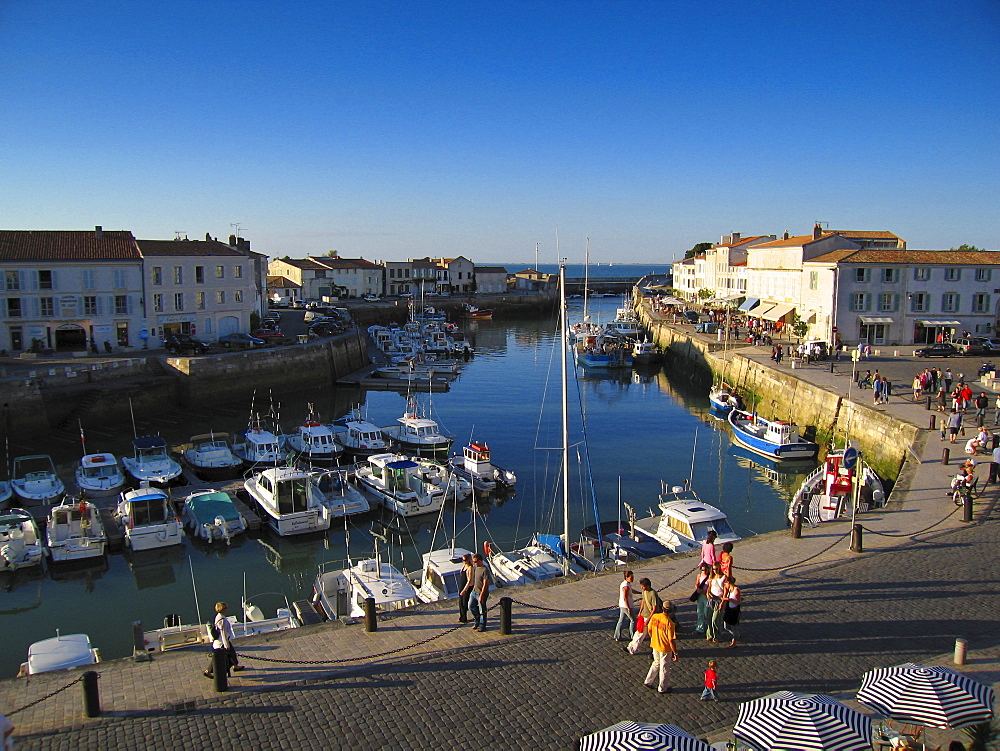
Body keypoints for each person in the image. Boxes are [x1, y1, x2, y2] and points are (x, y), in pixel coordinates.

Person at [641, 602, 678, 694]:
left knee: (656, 663)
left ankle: (648, 681)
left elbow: (649, 630)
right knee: (664, 668)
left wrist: (654, 638)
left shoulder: (655, 617)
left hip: (655, 645)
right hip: (665, 648)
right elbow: (671, 641)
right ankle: (662, 688)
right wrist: (675, 653)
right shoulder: (670, 623)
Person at [204, 602, 243, 679]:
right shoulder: (223, 621)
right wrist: (226, 645)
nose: (227, 609)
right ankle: (207, 671)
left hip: (220, 641)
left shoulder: (218, 617)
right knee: (218, 658)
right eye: (226, 608)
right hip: (222, 643)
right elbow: (223, 634)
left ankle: (235, 666)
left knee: (232, 654)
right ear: (223, 609)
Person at [626, 578, 657, 654]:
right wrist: (640, 612)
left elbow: (654, 608)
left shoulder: (653, 594)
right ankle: (631, 647)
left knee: (650, 634)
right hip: (643, 615)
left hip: (649, 616)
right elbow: (643, 601)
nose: (641, 588)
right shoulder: (644, 591)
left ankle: (654, 652)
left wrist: (648, 619)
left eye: (642, 586)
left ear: (647, 586)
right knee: (639, 632)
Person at [468, 553, 492, 632]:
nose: (474, 563)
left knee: (482, 610)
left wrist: (481, 595)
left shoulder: (485, 570)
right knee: (471, 606)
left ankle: (482, 625)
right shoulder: (476, 568)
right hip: (474, 591)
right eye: (473, 562)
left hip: (481, 593)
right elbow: (476, 579)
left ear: (480, 561)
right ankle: (477, 620)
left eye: (475, 561)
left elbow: (485, 584)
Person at [705, 564, 727, 643]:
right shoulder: (712, 577)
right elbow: (709, 587)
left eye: (717, 569)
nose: (715, 571)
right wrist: (707, 593)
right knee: (708, 617)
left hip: (719, 599)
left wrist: (723, 602)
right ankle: (710, 634)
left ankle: (717, 635)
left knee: (715, 619)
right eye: (714, 569)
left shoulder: (724, 578)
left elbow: (725, 591)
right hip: (712, 599)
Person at [614, 570, 636, 642]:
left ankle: (617, 636)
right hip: (626, 606)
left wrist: (639, 592)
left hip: (622, 605)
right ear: (627, 577)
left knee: (621, 620)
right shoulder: (626, 586)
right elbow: (625, 598)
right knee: (633, 620)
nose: (632, 579)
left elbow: (631, 590)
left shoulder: (625, 584)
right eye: (631, 577)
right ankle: (632, 636)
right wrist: (629, 608)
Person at [722, 575, 742, 648]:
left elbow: (738, 601)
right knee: (726, 626)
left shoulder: (736, 590)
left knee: (734, 626)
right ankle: (736, 635)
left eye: (725, 583)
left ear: (729, 583)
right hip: (729, 609)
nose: (724, 584)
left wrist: (728, 599)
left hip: (734, 611)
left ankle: (734, 641)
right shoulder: (729, 589)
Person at [693, 563, 712, 633]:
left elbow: (710, 586)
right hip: (700, 596)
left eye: (705, 570)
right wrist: (698, 588)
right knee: (700, 612)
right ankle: (699, 628)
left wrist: (705, 591)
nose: (704, 571)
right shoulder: (699, 575)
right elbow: (697, 583)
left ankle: (709, 628)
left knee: (707, 612)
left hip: (706, 596)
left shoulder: (710, 577)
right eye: (703, 570)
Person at [457, 553, 474, 624]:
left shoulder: (470, 568)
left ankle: (464, 618)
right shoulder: (464, 566)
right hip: (462, 585)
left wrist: (464, 590)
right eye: (462, 560)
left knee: (464, 602)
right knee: (460, 602)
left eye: (464, 560)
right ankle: (461, 617)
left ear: (468, 560)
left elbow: (469, 580)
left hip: (467, 587)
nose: (463, 561)